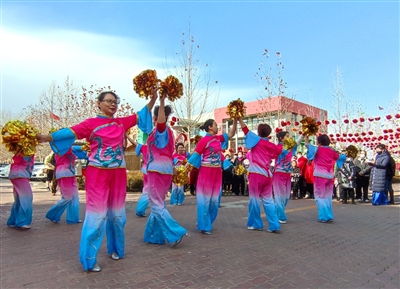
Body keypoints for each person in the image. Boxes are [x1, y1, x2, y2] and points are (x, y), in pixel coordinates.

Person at [37, 90, 156, 272]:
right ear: (99, 104)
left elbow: (142, 114)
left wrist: (154, 98)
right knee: (97, 216)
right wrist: (46, 137)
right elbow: (70, 132)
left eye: (115, 101)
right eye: (108, 101)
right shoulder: (90, 124)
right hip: (97, 174)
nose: (112, 104)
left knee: (118, 215)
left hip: (118, 173)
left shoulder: (120, 122)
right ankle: (89, 259)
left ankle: (116, 249)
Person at [143, 91, 187, 246]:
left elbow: (161, 124)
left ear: (155, 118)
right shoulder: (168, 133)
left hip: (157, 169)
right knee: (159, 202)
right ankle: (153, 235)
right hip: (166, 169)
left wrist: (161, 102)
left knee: (155, 203)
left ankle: (175, 232)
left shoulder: (161, 130)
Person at [187, 118, 237, 235]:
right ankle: (204, 226)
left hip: (217, 173)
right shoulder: (204, 140)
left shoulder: (218, 138)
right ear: (210, 127)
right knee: (204, 200)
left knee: (215, 201)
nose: (217, 127)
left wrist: (235, 119)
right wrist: (186, 169)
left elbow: (231, 133)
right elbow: (195, 156)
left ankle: (204, 221)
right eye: (215, 125)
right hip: (206, 172)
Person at [237, 118, 283, 232]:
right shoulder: (272, 145)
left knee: (254, 200)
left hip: (256, 175)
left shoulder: (256, 140)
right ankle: (274, 225)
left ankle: (256, 224)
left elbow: (245, 130)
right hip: (267, 176)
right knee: (269, 201)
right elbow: (279, 149)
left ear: (258, 132)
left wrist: (239, 119)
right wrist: (282, 141)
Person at [305, 135, 346, 223]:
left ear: (319, 142)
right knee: (328, 197)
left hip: (320, 176)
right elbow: (340, 158)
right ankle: (329, 215)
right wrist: (345, 154)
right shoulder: (331, 151)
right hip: (330, 176)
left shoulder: (317, 149)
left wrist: (306, 136)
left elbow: (307, 145)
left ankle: (324, 216)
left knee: (320, 196)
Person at [46, 145, 87, 224]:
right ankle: (52, 214)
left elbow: (81, 154)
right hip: (64, 173)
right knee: (67, 197)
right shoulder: (62, 147)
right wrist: (84, 147)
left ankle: (73, 218)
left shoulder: (69, 147)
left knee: (74, 197)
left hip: (70, 173)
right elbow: (74, 149)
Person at [273, 131, 303, 224]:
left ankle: (273, 210)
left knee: (286, 197)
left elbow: (297, 142)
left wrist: (304, 134)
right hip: (278, 173)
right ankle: (281, 216)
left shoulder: (290, 147)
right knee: (279, 197)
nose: (289, 137)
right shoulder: (277, 147)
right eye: (287, 136)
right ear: (281, 138)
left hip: (287, 174)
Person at [7, 152, 34, 230]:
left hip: (18, 174)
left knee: (19, 199)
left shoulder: (23, 149)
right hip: (20, 174)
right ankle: (22, 221)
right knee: (27, 198)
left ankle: (13, 220)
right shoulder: (25, 149)